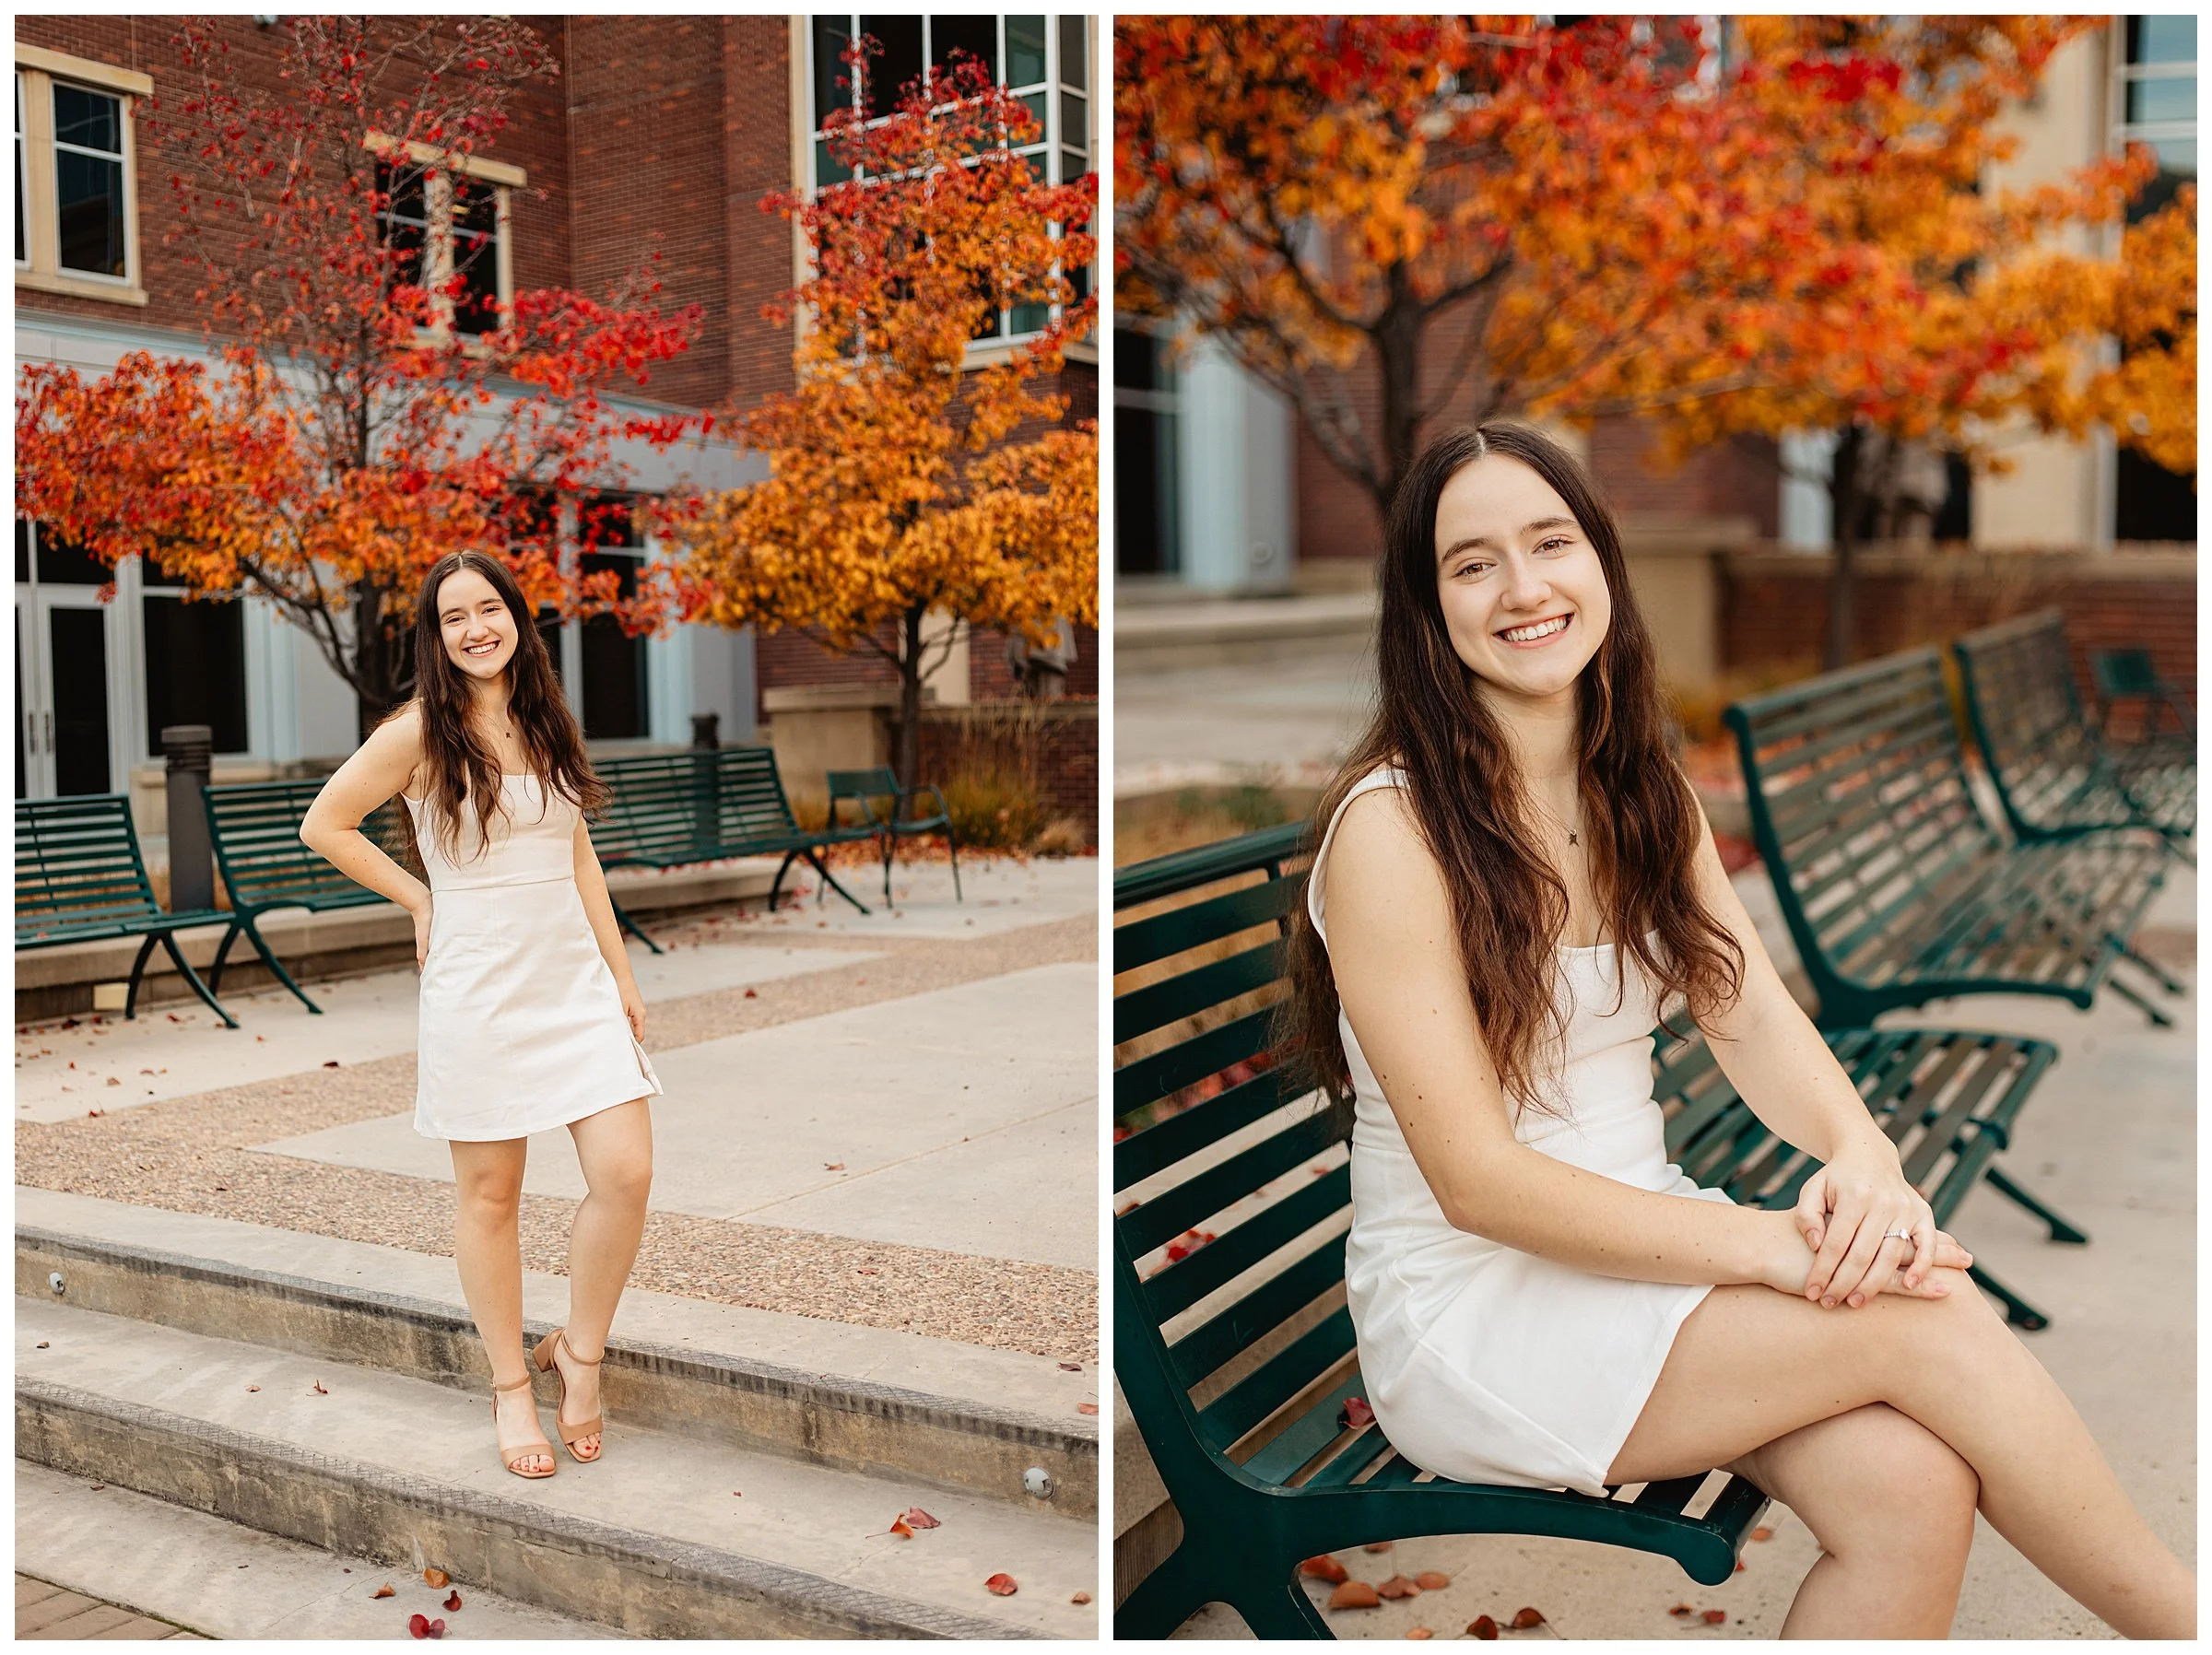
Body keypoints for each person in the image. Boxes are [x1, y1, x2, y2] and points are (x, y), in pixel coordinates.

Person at [1283, 423, 2193, 1638]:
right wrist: (1769, 1249)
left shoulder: (1636, 788)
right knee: (1930, 1322)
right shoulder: (1394, 834)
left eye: (1550, 542)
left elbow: (1750, 1012)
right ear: (1425, 607)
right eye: (1474, 563)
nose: (1524, 587)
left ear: (1602, 561)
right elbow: (1480, 1186)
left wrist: (1865, 1160)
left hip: (1644, 1260)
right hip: (1482, 1314)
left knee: (1913, 1490)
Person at [301, 549, 661, 1480]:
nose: (474, 628)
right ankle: (511, 1384)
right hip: (479, 986)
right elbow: (325, 823)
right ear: (435, 634)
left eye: (488, 608)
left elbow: (578, 857)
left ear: (515, 617)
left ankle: (579, 1352)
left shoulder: (544, 717)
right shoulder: (419, 731)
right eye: (453, 616)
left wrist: (619, 972)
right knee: (490, 1196)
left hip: (572, 982)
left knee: (626, 1170)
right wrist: (421, 899)